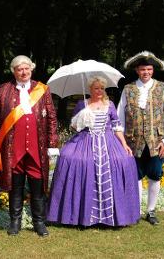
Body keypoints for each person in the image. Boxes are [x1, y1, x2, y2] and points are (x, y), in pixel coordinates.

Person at [47, 76, 140, 227]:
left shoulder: (109, 105)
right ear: (90, 89)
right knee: (72, 159)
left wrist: (124, 145)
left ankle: (113, 216)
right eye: (96, 88)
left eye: (102, 88)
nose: (99, 91)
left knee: (122, 160)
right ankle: (80, 215)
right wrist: (81, 118)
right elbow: (73, 127)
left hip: (108, 141)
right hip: (85, 140)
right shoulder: (81, 104)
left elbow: (116, 126)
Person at [0, 55, 58, 236]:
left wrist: (52, 143)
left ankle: (39, 222)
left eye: (26, 68)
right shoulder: (3, 90)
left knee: (37, 186)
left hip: (37, 148)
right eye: (19, 69)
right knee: (15, 186)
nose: (23, 72)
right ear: (14, 71)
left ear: (31, 69)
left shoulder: (43, 89)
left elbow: (52, 118)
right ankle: (15, 222)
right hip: (13, 148)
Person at [117, 51, 164, 225]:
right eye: (143, 69)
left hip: (156, 142)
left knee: (155, 175)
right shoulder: (128, 89)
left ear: (153, 70)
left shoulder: (162, 87)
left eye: (149, 69)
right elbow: (119, 116)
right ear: (137, 70)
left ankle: (151, 211)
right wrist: (121, 141)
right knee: (135, 175)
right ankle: (136, 210)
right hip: (132, 142)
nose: (146, 72)